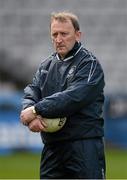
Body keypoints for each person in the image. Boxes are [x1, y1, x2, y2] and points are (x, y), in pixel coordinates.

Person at [20, 11, 106, 179]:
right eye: (55, 34)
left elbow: (74, 97)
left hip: (83, 146)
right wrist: (29, 113)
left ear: (78, 35)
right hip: (52, 148)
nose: (59, 39)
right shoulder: (45, 65)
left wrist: (36, 110)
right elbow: (32, 91)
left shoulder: (89, 64)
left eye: (64, 34)